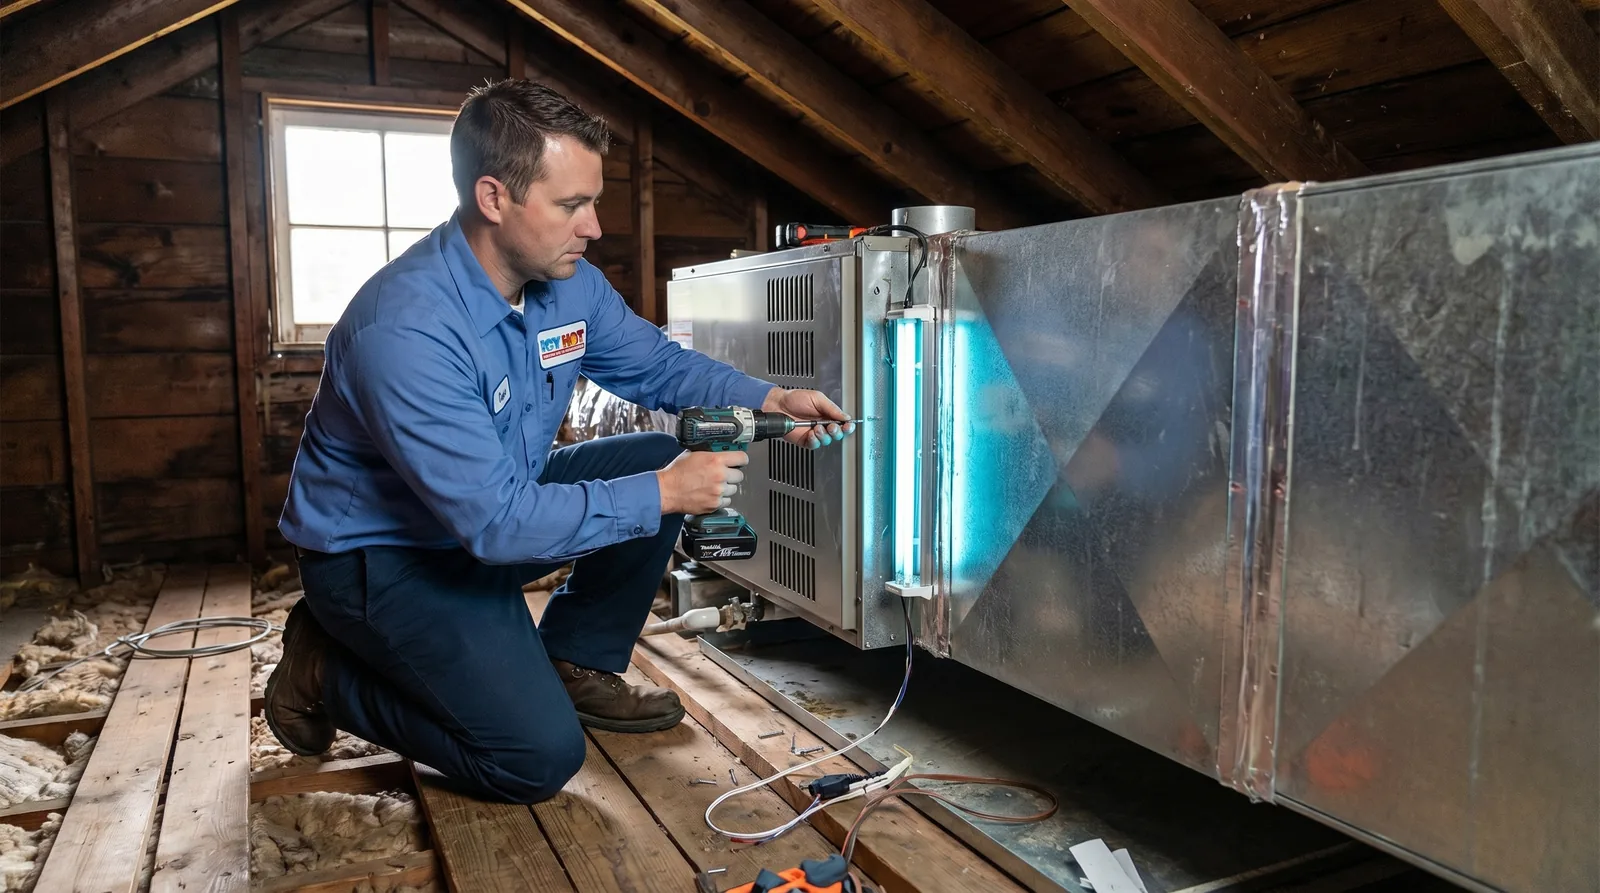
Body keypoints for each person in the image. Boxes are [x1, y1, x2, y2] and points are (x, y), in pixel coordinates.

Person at [265, 79, 854, 804]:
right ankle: (326, 671)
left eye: (594, 201)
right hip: (383, 561)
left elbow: (655, 363)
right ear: (494, 199)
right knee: (535, 758)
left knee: (651, 458)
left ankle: (574, 657)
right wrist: (665, 494)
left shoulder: (565, 285)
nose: (595, 227)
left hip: (483, 522)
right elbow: (496, 525)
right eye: (572, 205)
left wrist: (769, 398)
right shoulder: (406, 330)